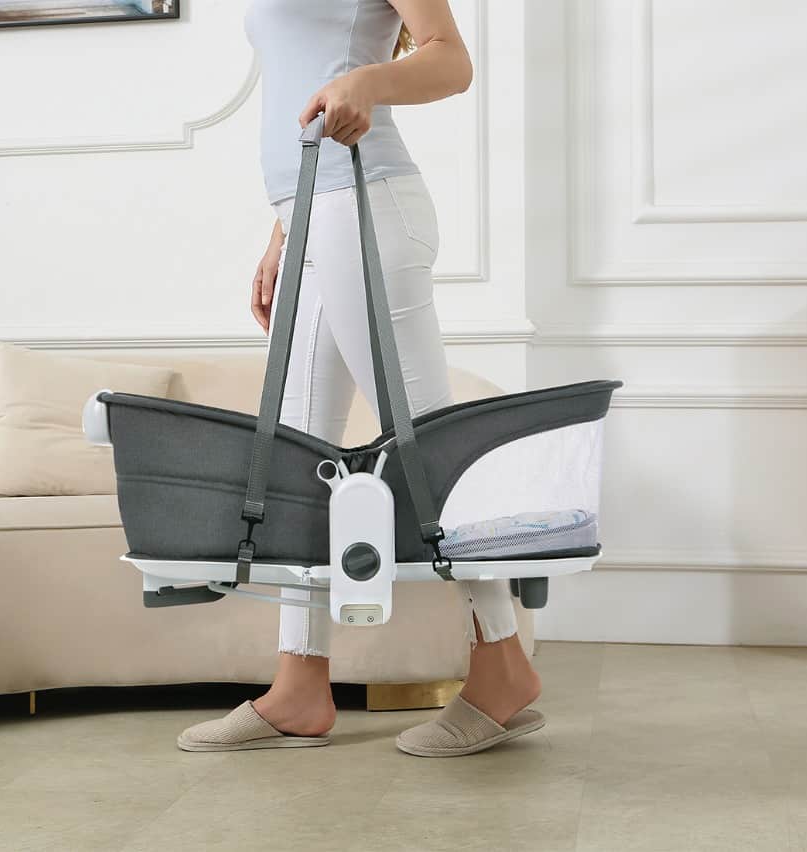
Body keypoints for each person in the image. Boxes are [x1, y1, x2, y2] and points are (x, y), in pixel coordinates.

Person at [177, 0, 544, 757]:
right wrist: (284, 231)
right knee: (296, 458)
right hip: (312, 208)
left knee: (424, 446)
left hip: (366, 203)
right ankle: (299, 684)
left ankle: (503, 664)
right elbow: (304, 84)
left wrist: (369, 82)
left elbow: (450, 58)